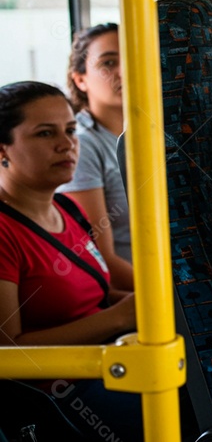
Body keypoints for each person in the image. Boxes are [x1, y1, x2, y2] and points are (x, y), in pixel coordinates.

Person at [0, 81, 141, 441]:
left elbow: (96, 295)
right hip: (57, 396)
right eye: (45, 133)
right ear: (3, 150)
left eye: (70, 130)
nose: (67, 144)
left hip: (106, 363)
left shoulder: (68, 209)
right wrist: (120, 317)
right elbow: (7, 348)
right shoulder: (4, 231)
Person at [59, 23, 134, 291]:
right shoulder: (81, 144)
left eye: (133, 59)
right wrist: (170, 300)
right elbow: (101, 261)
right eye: (109, 62)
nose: (124, 71)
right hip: (134, 294)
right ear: (80, 79)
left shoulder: (158, 130)